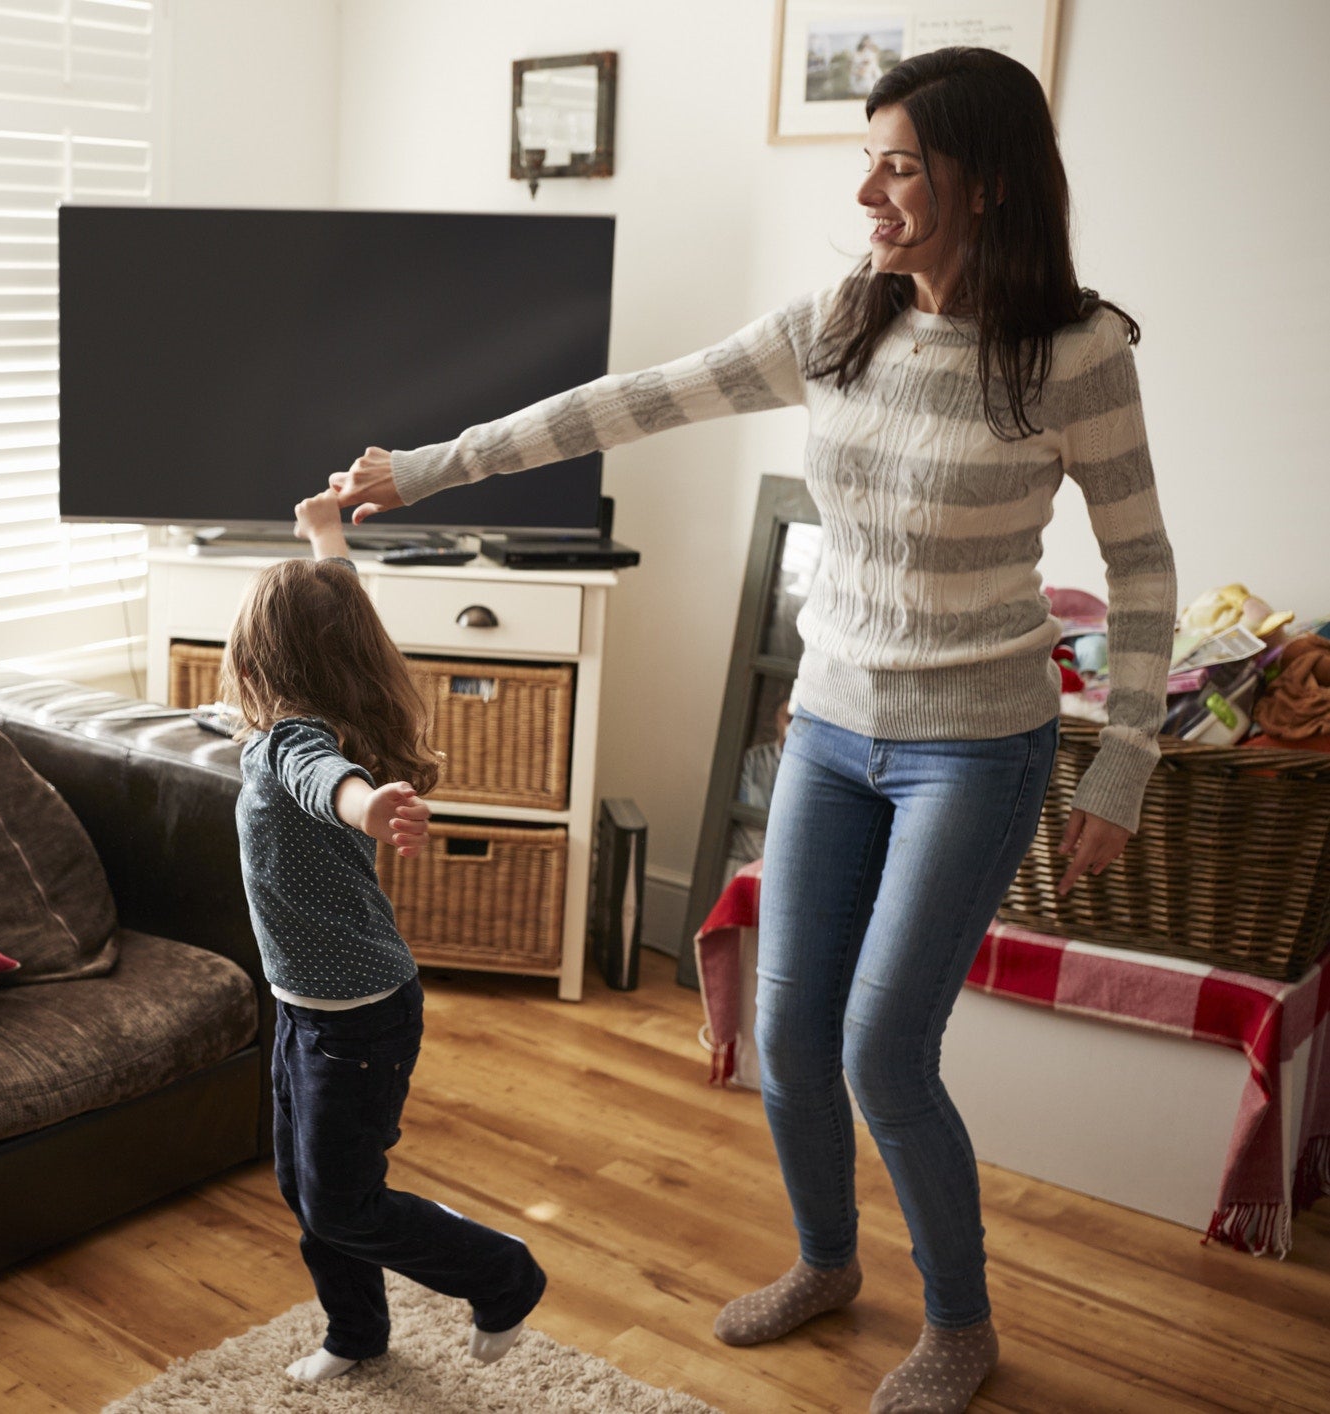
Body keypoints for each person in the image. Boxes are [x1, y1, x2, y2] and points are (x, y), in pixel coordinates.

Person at [328, 46, 1176, 1414]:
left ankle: (960, 1322)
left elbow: (1139, 570)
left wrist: (1124, 758)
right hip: (833, 730)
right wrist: (428, 468)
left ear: (991, 179)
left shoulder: (1074, 353)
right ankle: (828, 1260)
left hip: (976, 741)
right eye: (870, 156)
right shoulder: (843, 319)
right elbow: (633, 398)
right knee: (786, 1036)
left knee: (882, 1048)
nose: (869, 188)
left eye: (901, 163)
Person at [221, 488, 548, 1383]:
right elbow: (340, 597)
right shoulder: (311, 707)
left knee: (342, 1204)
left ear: (261, 656)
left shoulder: (299, 739)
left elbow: (327, 779)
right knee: (309, 1192)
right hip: (306, 1008)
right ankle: (357, 1334)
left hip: (357, 1021)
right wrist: (324, 535)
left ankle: (503, 1274)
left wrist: (372, 806)